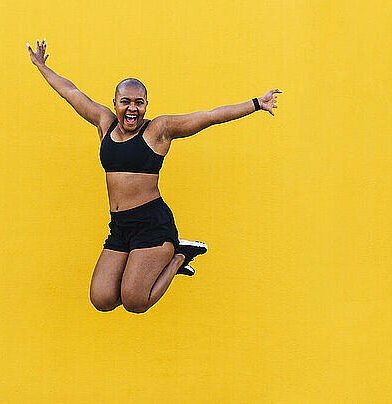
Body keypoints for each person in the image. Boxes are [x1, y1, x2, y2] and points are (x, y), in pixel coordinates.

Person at [27, 38, 282, 314]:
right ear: (115, 102)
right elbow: (70, 91)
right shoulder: (104, 121)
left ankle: (178, 255)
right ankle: (171, 255)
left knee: (135, 302)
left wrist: (256, 103)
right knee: (101, 299)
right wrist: (41, 66)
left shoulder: (158, 130)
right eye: (125, 102)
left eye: (139, 103)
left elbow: (210, 116)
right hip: (120, 226)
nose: (132, 109)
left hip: (151, 224)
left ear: (147, 105)